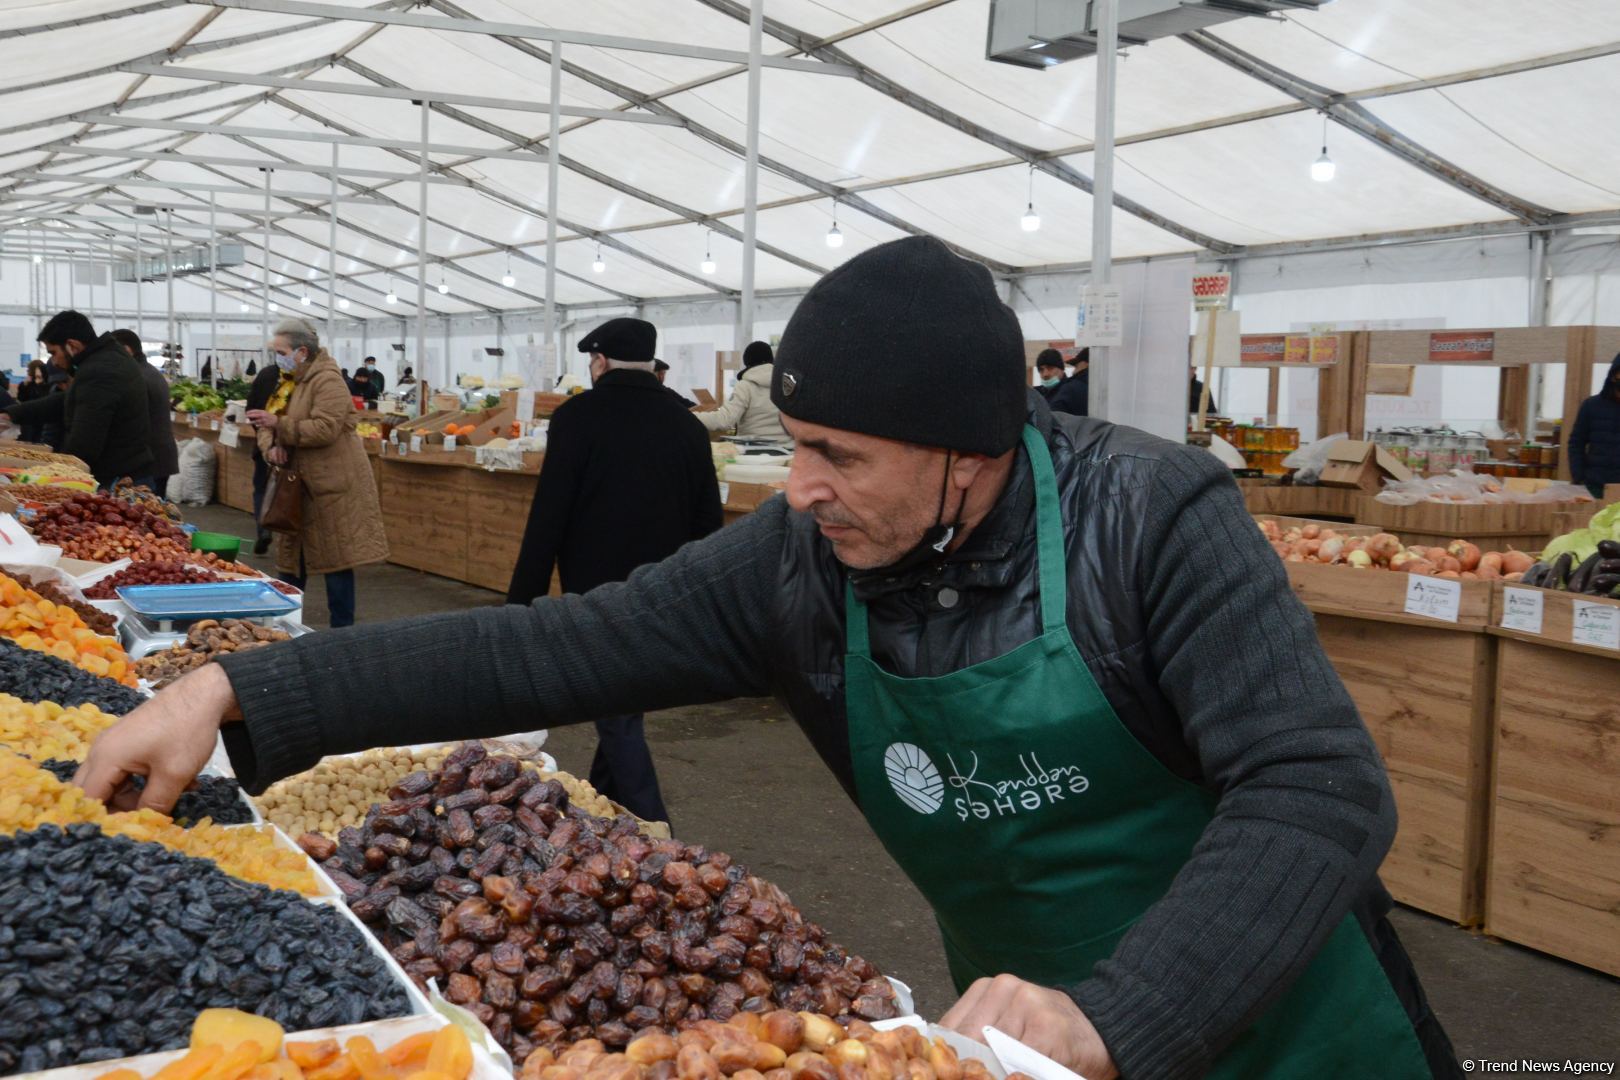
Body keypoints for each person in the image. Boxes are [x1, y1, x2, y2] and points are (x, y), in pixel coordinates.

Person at [77, 238, 1460, 1080]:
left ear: (971, 454)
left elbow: (1314, 788)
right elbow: (571, 640)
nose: (796, 485)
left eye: (837, 456)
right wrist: (241, 690)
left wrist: (1127, 1018)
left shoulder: (1153, 518)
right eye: (793, 445)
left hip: (1279, 1018)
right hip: (1018, 1029)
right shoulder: (803, 561)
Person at [504, 317, 721, 825]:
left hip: (596, 589)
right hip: (664, 588)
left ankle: (653, 822)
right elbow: (708, 520)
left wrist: (522, 603)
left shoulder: (577, 416)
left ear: (599, 362)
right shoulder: (687, 424)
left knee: (617, 709)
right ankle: (601, 806)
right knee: (621, 698)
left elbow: (549, 513)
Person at [243, 317, 388, 629]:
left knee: (336, 563)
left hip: (330, 488)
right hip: (295, 486)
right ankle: (284, 629)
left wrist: (280, 426)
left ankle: (342, 635)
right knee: (292, 565)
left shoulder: (327, 380)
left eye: (281, 350)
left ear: (302, 352)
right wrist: (272, 447)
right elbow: (265, 423)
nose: (277, 356)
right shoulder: (286, 380)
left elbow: (325, 428)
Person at [2, 311, 154, 488]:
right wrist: (11, 414)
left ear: (71, 345)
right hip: (125, 472)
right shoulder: (107, 359)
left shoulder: (100, 371)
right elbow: (67, 401)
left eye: (53, 353)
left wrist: (55, 478)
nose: (53, 362)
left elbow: (84, 443)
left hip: (116, 480)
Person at [109, 330, 181, 498]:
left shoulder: (138, 377)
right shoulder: (148, 372)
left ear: (127, 350)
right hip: (158, 457)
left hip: (149, 460)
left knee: (146, 511)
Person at [697, 340, 788, 442]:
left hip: (754, 450)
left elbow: (725, 420)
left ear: (747, 362)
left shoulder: (745, 386)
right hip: (787, 450)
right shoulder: (786, 385)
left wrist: (690, 416)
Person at [244, 361, 288, 555]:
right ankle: (285, 536)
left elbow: (250, 407)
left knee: (262, 489)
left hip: (264, 445)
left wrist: (262, 435)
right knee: (287, 492)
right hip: (289, 446)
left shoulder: (265, 374)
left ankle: (263, 529)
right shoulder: (298, 378)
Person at [1567, 352, 1620, 499]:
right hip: (1594, 488)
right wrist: (1579, 477)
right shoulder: (1591, 406)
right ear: (1613, 375)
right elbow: (1576, 443)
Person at [1034, 349, 1087, 416]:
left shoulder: (1071, 392)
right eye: (1041, 370)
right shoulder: (1036, 394)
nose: (1045, 374)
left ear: (1061, 369)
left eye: (1050, 368)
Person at [15, 361, 48, 444]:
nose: (27, 371)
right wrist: (24, 385)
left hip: (37, 418)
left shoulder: (43, 385)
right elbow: (21, 398)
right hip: (29, 416)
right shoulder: (28, 383)